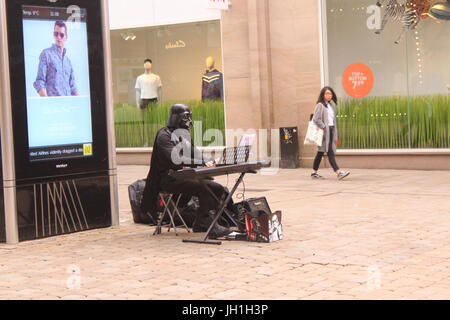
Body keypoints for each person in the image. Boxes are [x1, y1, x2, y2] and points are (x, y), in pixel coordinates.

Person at [140, 103, 232, 238]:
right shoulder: (164, 136)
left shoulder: (185, 135)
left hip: (184, 177)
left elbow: (197, 155)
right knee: (203, 188)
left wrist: (212, 160)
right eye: (186, 116)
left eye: (190, 116)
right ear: (176, 117)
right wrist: (201, 162)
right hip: (168, 179)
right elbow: (175, 159)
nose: (189, 120)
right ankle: (210, 225)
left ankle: (201, 222)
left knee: (217, 188)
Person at [311, 86, 350, 180]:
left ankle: (313, 172)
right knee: (330, 152)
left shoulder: (330, 105)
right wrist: (324, 127)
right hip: (325, 132)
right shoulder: (320, 105)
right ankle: (338, 172)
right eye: (327, 93)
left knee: (320, 152)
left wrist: (332, 129)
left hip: (331, 130)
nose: (329, 95)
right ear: (323, 95)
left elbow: (331, 120)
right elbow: (316, 119)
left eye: (330, 93)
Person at [33, 20, 78, 97]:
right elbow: (40, 82)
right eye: (56, 34)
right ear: (53, 35)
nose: (58, 37)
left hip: (69, 106)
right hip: (54, 107)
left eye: (61, 35)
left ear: (66, 37)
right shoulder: (46, 54)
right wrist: (48, 103)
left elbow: (73, 88)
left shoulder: (68, 61)